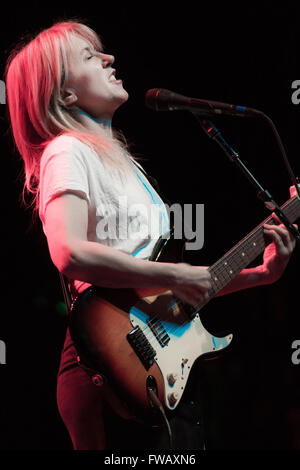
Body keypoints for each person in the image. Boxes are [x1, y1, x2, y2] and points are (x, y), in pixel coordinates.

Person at [5, 19, 297, 451]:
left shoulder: (124, 166)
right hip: (111, 369)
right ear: (65, 94)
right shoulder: (68, 150)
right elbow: (67, 252)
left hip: (153, 370)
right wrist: (176, 276)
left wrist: (260, 275)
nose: (109, 58)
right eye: (90, 55)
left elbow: (162, 293)